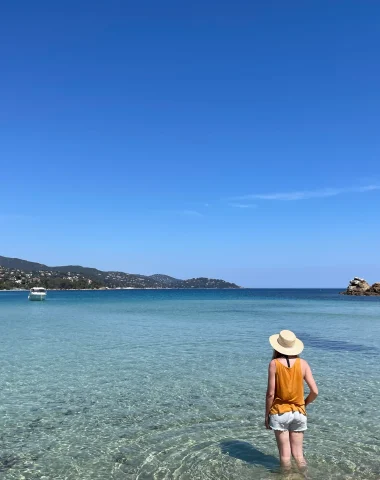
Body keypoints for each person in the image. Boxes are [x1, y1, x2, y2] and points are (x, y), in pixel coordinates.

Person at [265, 330, 318, 473]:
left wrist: (266, 416)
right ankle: (305, 476)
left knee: (285, 455)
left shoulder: (274, 363)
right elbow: (315, 392)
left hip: (280, 413)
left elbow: (270, 394)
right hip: (299, 413)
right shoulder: (303, 364)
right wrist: (303, 404)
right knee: (299, 455)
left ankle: (286, 477)